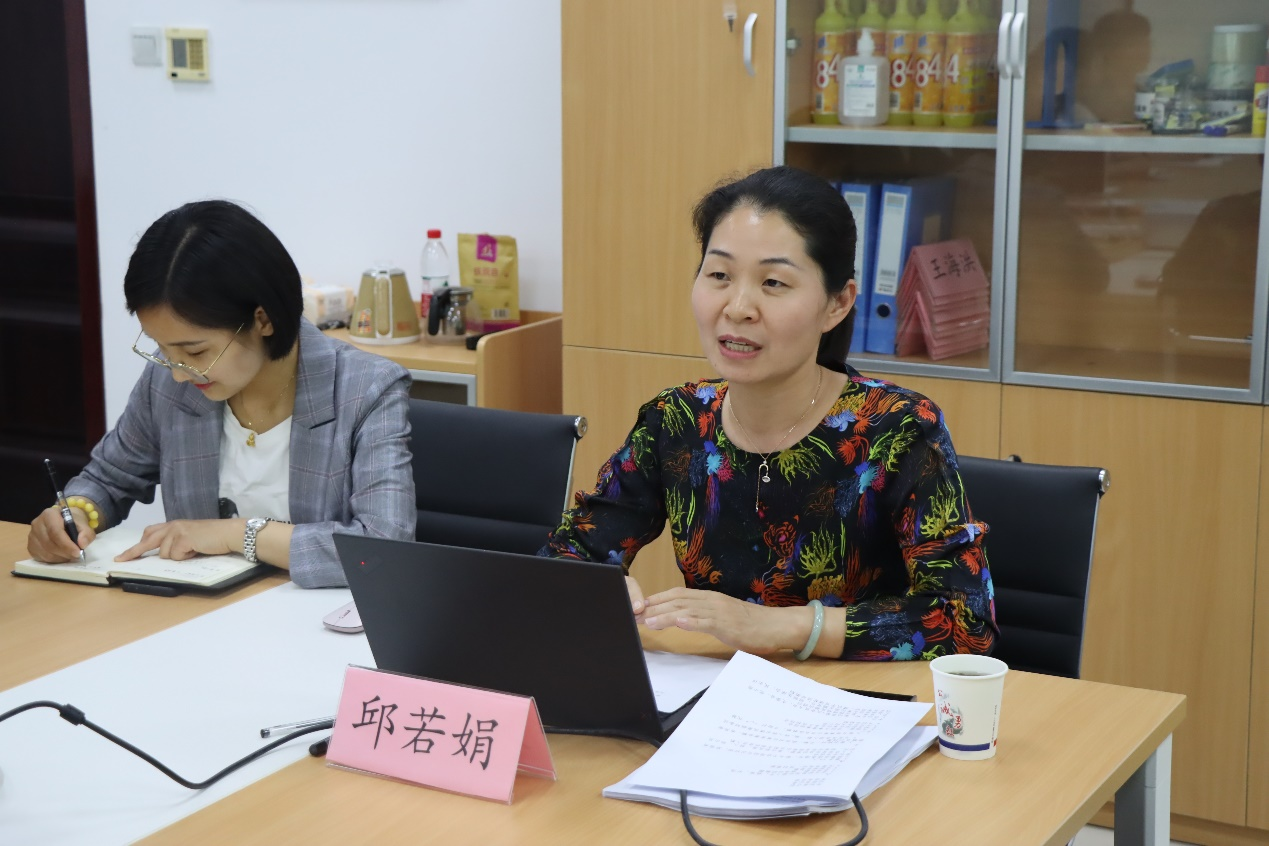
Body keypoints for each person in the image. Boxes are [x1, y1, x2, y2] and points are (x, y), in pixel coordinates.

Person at [541, 166, 996, 660]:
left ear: (838, 303)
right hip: (714, 693)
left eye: (774, 282)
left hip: (851, 696)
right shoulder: (676, 421)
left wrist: (783, 627)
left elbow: (964, 623)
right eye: (719, 275)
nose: (738, 307)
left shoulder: (898, 428)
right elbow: (565, 556)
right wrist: (595, 587)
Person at [25, 200, 416, 587]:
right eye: (163, 350)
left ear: (262, 320)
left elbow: (383, 549)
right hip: (200, 613)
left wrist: (236, 533)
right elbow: (109, 478)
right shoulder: (167, 384)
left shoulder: (366, 389)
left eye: (196, 352)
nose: (177, 373)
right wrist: (76, 512)